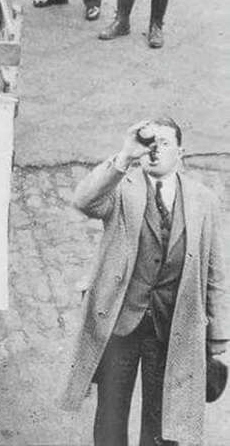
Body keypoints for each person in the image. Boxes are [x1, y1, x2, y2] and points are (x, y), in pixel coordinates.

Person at [62, 117, 228, 446]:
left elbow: (214, 273)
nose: (155, 151)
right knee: (111, 414)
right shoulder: (123, 188)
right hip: (122, 325)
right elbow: (84, 201)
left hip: (171, 328)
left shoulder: (203, 200)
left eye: (164, 144)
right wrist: (125, 155)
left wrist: (219, 337)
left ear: (181, 152)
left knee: (163, 420)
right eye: (151, 144)